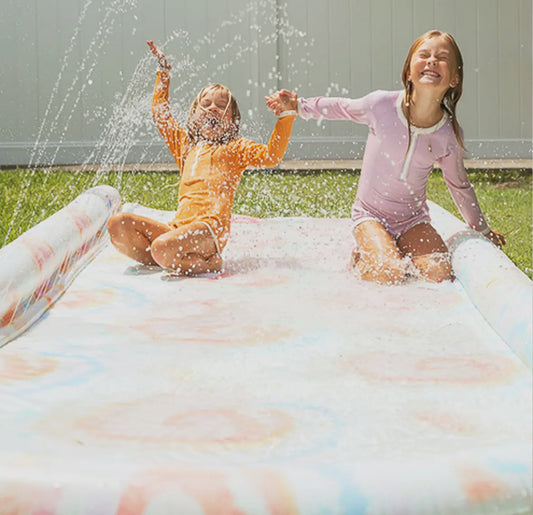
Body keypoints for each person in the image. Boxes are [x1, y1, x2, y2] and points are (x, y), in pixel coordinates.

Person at [266, 30, 505, 285]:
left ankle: (394, 248)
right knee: (388, 272)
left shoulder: (447, 134)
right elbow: (341, 107)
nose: (432, 60)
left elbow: (458, 184)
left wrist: (480, 229)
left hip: (413, 219)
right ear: (409, 72)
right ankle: (363, 257)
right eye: (424, 55)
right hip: (370, 216)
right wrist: (299, 105)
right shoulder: (381, 105)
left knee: (440, 274)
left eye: (442, 57)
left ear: (455, 78)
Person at [107, 41, 297, 275]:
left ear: (233, 119)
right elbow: (160, 115)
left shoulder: (234, 148)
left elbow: (271, 156)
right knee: (118, 225)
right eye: (205, 104)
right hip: (178, 231)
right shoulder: (186, 147)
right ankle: (170, 257)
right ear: (194, 113)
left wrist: (286, 115)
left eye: (221, 106)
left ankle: (205, 261)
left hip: (209, 232)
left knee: (161, 247)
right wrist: (164, 73)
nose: (212, 109)